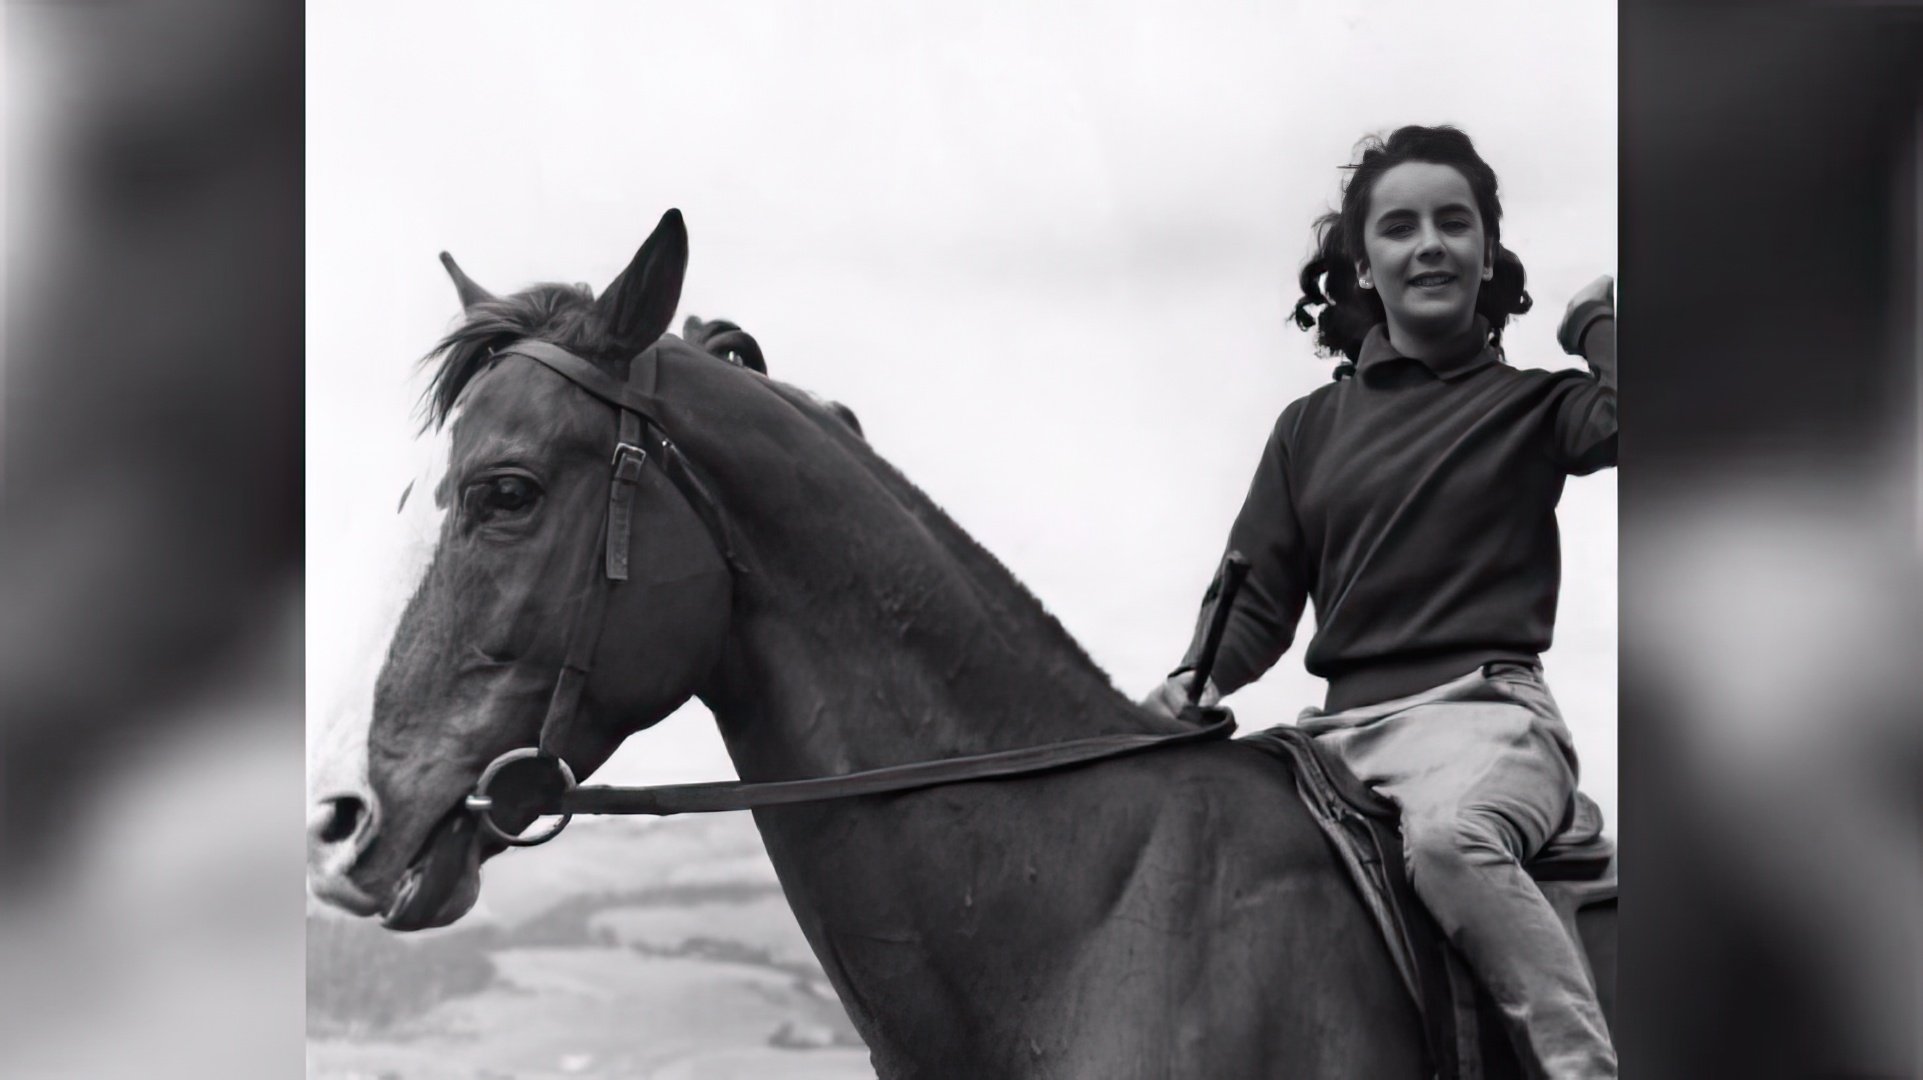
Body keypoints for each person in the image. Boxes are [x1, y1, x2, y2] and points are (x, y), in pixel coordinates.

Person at [1142, 125, 1617, 1078]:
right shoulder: (1307, 429)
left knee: (1451, 844)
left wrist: (1596, 328)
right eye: (1399, 227)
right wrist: (1191, 680)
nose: (1428, 243)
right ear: (1366, 263)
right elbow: (1257, 597)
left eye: (1455, 221)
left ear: (1487, 250)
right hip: (1335, 739)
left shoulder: (1536, 405)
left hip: (1486, 723)